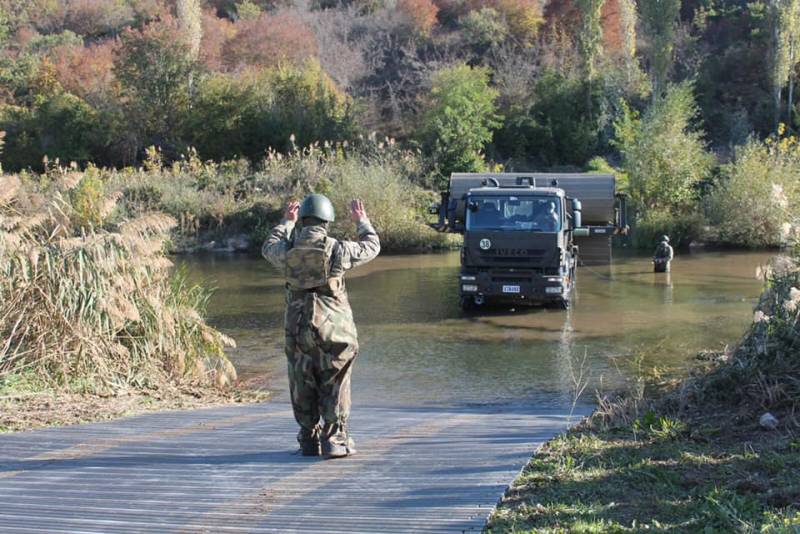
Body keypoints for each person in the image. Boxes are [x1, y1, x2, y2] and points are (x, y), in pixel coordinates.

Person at [262, 194, 380, 458]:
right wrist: (362, 221)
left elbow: (268, 246)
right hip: (335, 327)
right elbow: (372, 246)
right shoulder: (339, 249)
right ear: (327, 221)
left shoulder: (287, 250)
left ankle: (308, 439)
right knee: (336, 379)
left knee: (301, 379)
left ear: (303, 219)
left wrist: (286, 223)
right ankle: (335, 439)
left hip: (297, 326)